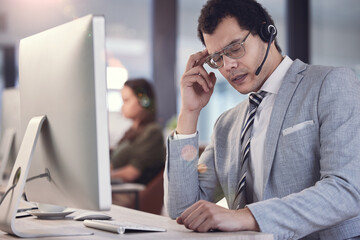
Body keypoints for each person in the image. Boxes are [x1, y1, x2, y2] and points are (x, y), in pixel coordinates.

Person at [164, 0, 360, 239]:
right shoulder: (227, 124)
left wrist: (247, 217)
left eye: (235, 48)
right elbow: (183, 209)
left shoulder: (330, 84)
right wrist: (189, 113)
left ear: (267, 32)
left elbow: (347, 189)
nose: (228, 65)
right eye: (217, 58)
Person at [111, 78, 165, 205]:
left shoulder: (152, 132)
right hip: (119, 189)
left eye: (126, 100)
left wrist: (102, 178)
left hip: (134, 193)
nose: (122, 106)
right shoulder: (130, 132)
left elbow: (131, 173)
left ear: (144, 101)